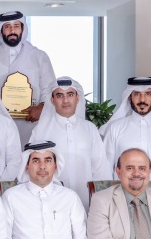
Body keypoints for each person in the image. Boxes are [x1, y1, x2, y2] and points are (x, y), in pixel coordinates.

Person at [29, 77, 111, 206]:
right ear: (52, 100)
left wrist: (103, 202)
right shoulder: (40, 130)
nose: (65, 100)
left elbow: (100, 168)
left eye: (70, 94)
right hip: (52, 202)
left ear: (77, 98)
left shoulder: (90, 129)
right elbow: (33, 168)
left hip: (87, 200)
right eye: (60, 95)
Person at [0, 11, 56, 128]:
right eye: (7, 26)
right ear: (0, 30)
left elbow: (50, 88)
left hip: (30, 123)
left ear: (23, 29)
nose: (12, 31)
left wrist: (42, 107)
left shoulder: (39, 56)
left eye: (16, 26)